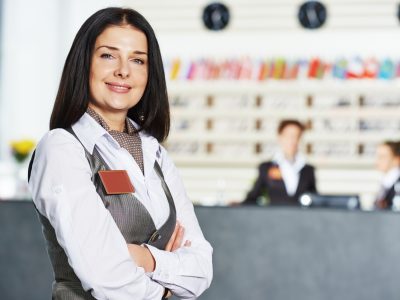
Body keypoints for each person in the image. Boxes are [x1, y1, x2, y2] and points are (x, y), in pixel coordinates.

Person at [28, 7, 212, 300]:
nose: (123, 71)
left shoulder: (156, 153)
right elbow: (105, 278)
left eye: (137, 60)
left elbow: (202, 269)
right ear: (83, 63)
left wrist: (142, 257)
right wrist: (166, 287)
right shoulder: (62, 148)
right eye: (108, 55)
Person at [243, 119, 317, 206]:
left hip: (300, 218)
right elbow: (253, 197)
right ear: (280, 137)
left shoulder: (308, 170)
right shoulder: (266, 168)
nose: (292, 141)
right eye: (289, 136)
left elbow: (314, 199)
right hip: (274, 217)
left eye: (297, 136)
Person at [374, 141, 400, 209]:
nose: (377, 161)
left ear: (397, 159)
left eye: (382, 157)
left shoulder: (395, 184)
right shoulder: (385, 182)